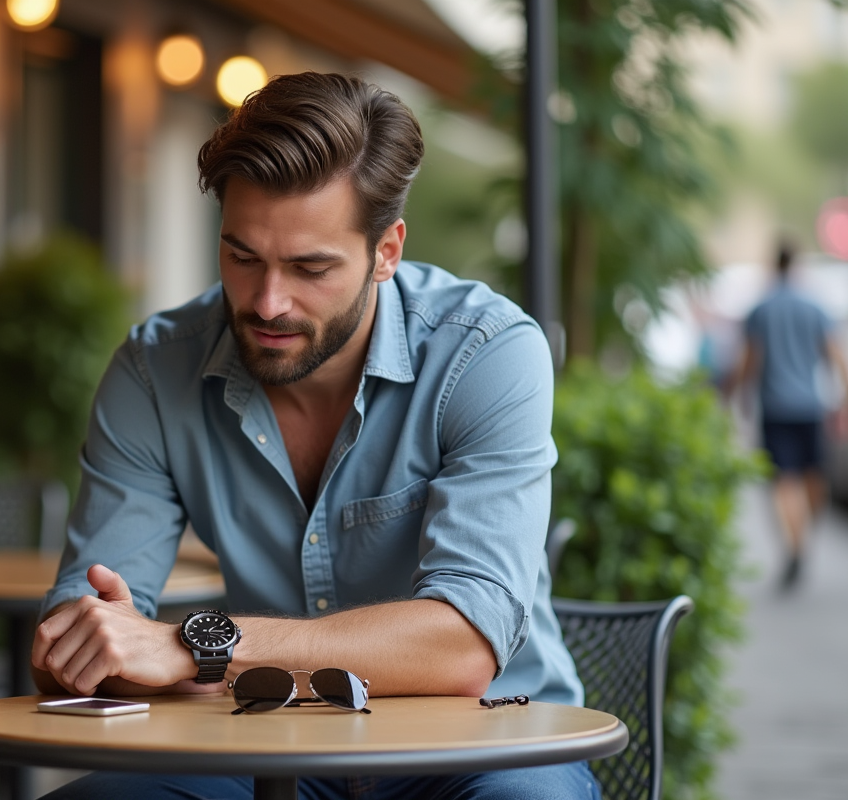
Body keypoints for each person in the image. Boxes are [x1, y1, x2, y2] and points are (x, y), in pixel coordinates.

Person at [31, 72, 593, 800]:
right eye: (242, 257)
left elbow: (462, 647)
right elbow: (72, 640)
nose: (268, 302)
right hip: (267, 740)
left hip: (485, 740)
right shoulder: (153, 370)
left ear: (386, 251)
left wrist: (193, 647)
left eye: (309, 267)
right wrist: (89, 644)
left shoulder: (484, 352)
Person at [728, 242, 848, 589]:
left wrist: (735, 396)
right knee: (813, 477)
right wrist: (843, 400)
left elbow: (748, 359)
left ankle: (796, 544)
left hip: (776, 406)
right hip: (811, 405)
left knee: (784, 481)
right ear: (797, 265)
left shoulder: (761, 309)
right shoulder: (814, 306)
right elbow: (835, 355)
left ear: (772, 265)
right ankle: (802, 538)